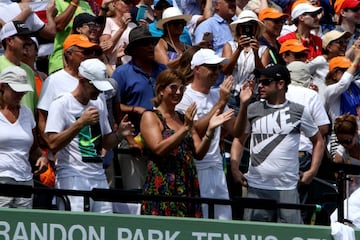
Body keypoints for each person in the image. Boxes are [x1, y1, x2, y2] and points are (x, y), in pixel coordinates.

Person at [233, 64, 325, 223]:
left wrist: (312, 171)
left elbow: (318, 141)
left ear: (281, 84)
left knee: (290, 235)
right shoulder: (252, 108)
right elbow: (238, 138)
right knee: (256, 236)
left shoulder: (299, 110)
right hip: (256, 188)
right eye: (259, 82)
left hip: (288, 189)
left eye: (266, 82)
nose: (260, 86)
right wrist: (234, 168)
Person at [140, 69, 234, 217]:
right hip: (163, 185)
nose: (178, 92)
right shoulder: (151, 116)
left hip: (187, 184)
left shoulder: (184, 118)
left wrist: (210, 130)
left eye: (182, 89)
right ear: (161, 90)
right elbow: (158, 148)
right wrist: (185, 129)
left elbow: (199, 153)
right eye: (173, 87)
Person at [45, 58, 134, 212]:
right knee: (76, 229)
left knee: (103, 230)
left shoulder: (98, 102)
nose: (99, 91)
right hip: (72, 176)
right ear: (83, 81)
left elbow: (106, 142)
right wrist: (80, 124)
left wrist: (119, 134)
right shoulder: (61, 104)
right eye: (96, 87)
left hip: (98, 176)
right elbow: (52, 144)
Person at [176, 48, 236, 220]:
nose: (216, 72)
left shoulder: (218, 94)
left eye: (218, 68)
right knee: (199, 220)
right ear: (197, 69)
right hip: (195, 167)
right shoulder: (184, 96)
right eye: (211, 67)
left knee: (224, 221)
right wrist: (220, 103)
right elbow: (193, 131)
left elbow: (236, 130)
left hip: (216, 166)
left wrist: (245, 104)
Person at [112, 26, 167, 190]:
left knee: (162, 193)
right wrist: (135, 110)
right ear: (134, 50)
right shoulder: (121, 73)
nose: (151, 47)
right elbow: (115, 107)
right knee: (136, 194)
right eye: (145, 44)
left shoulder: (163, 71)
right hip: (134, 141)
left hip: (163, 141)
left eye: (152, 43)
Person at [37, 34, 102, 149]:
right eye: (85, 52)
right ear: (69, 54)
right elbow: (42, 118)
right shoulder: (54, 80)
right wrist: (53, 147)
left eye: (93, 53)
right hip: (65, 157)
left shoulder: (96, 80)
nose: (90, 56)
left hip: (91, 154)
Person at [0, 66, 48, 208]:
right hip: (1, 180)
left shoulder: (27, 113)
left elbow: (34, 148)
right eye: (16, 91)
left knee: (23, 228)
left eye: (23, 91)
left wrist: (42, 158)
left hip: (26, 181)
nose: (20, 94)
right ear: (2, 86)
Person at [222, 9, 268, 112]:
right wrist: (239, 49)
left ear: (256, 28)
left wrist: (256, 53)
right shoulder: (230, 46)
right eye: (243, 25)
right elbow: (225, 70)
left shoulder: (263, 50)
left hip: (252, 96)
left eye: (251, 25)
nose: (247, 28)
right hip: (231, 96)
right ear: (238, 28)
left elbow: (262, 75)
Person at [48, 0, 95, 74]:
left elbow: (95, 29)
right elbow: (59, 26)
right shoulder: (57, 2)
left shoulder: (85, 4)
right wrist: (74, 2)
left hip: (87, 60)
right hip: (62, 61)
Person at [0, 21, 37, 113]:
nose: (28, 41)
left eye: (29, 38)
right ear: (9, 41)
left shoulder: (28, 70)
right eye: (24, 38)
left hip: (27, 125)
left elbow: (33, 106)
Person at [307, 30, 351, 104]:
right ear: (329, 47)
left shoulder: (346, 63)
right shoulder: (320, 61)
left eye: (345, 42)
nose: (344, 45)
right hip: (320, 103)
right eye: (340, 42)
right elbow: (304, 71)